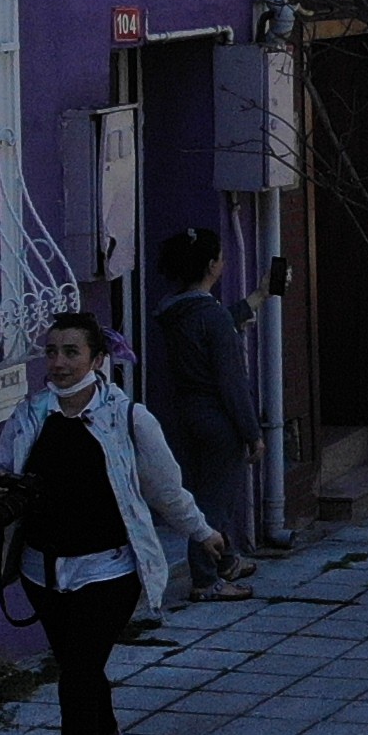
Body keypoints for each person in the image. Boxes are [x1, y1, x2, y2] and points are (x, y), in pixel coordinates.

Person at [0, 311, 219, 735]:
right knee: (81, 670)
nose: (59, 363)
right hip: (44, 574)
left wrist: (203, 532)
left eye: (71, 352)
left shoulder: (128, 418)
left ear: (97, 359)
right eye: (52, 352)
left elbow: (165, 489)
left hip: (108, 573)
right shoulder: (30, 415)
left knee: (75, 683)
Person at [148, 227, 270, 593]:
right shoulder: (211, 317)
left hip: (185, 414)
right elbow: (232, 383)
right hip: (217, 420)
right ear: (212, 265)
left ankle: (226, 559)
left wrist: (259, 296)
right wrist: (252, 433)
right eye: (220, 257)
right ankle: (206, 578)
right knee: (216, 502)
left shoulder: (174, 311)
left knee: (201, 492)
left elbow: (216, 325)